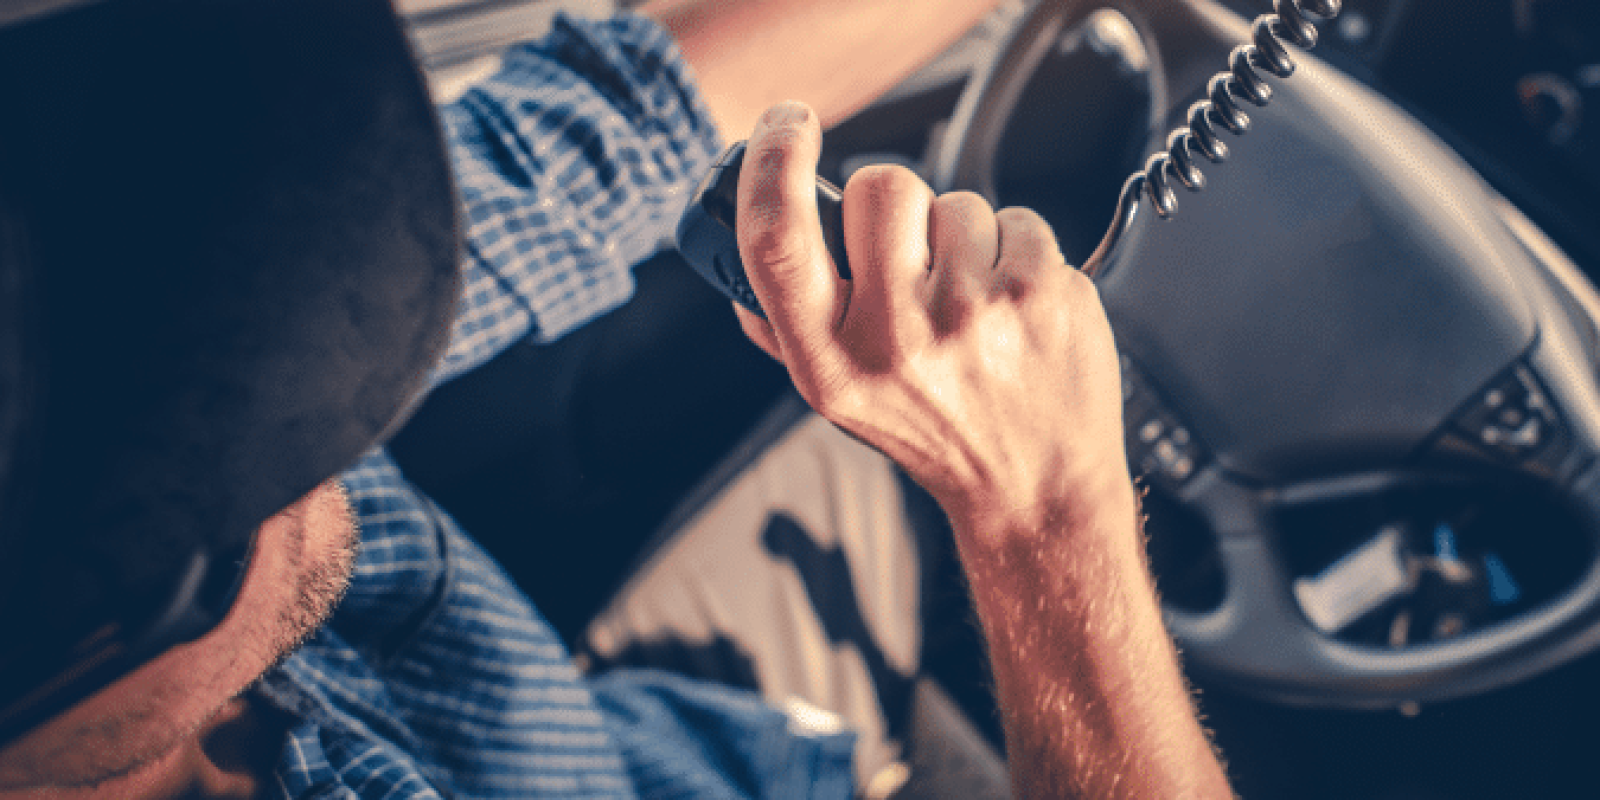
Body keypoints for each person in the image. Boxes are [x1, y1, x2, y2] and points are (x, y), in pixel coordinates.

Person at [0, 0, 1232, 797]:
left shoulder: (111, 387)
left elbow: (619, 125)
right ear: (104, 630)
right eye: (257, 452)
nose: (333, 423)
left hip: (700, 746)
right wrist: (1043, 515)